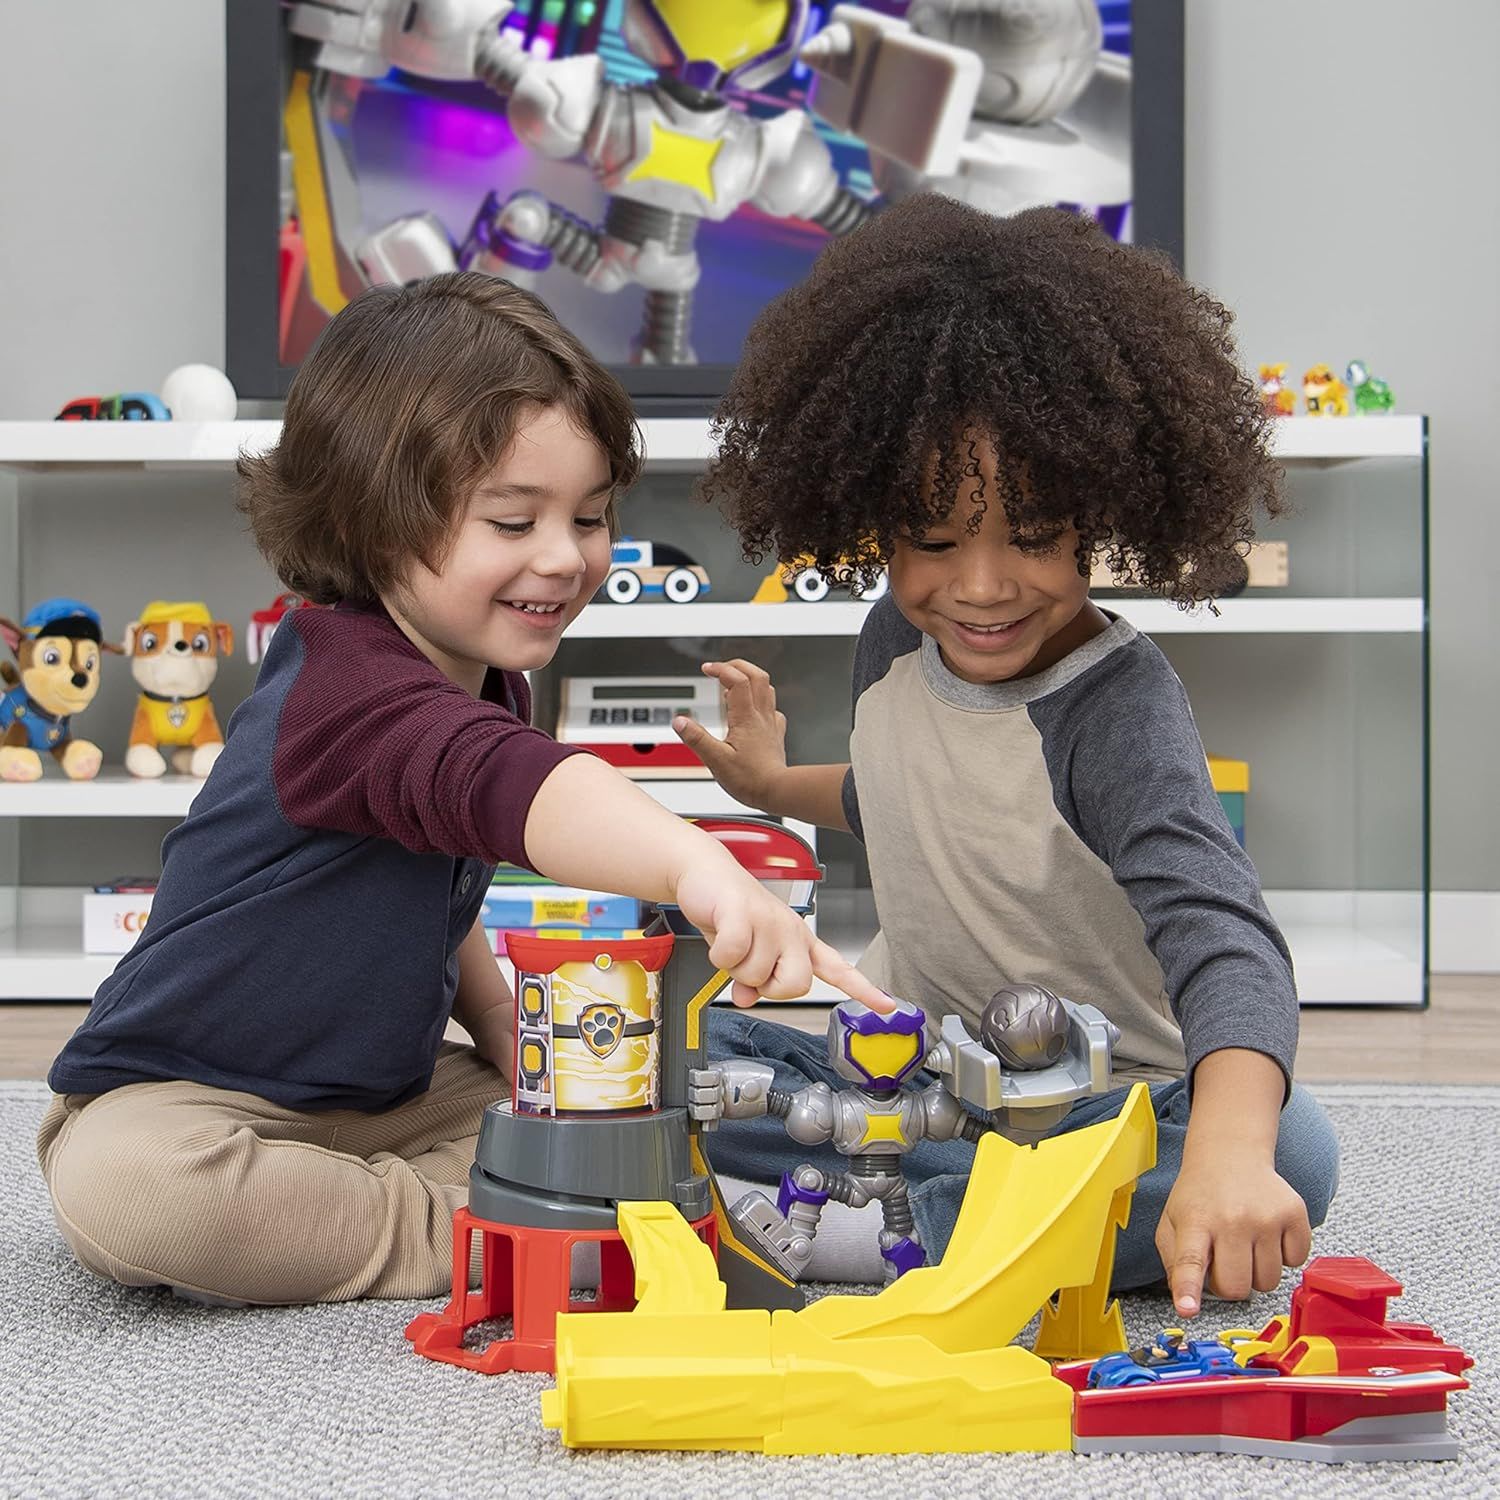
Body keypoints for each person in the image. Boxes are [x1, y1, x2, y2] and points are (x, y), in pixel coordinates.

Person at [37, 272, 885, 1307]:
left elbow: (442, 900)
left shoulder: (484, 677)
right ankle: (507, 1226)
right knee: (133, 1195)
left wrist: (509, 1038)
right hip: (186, 1099)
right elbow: (526, 789)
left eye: (590, 516)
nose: (566, 557)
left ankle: (552, 1188)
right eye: (514, 522)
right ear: (373, 525)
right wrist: (693, 863)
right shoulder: (344, 687)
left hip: (388, 1098)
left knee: (635, 1092)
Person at [675, 196, 1340, 1319]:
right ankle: (937, 1207)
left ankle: (874, 1227)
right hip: (909, 1074)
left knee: (1297, 1151)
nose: (981, 588)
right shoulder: (896, 638)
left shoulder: (1114, 709)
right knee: (681, 1060)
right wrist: (769, 787)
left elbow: (1223, 935)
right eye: (934, 541)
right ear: (870, 514)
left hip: (1096, 1104)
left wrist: (1232, 1153)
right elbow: (908, 801)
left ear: (1104, 506)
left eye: (1033, 537)